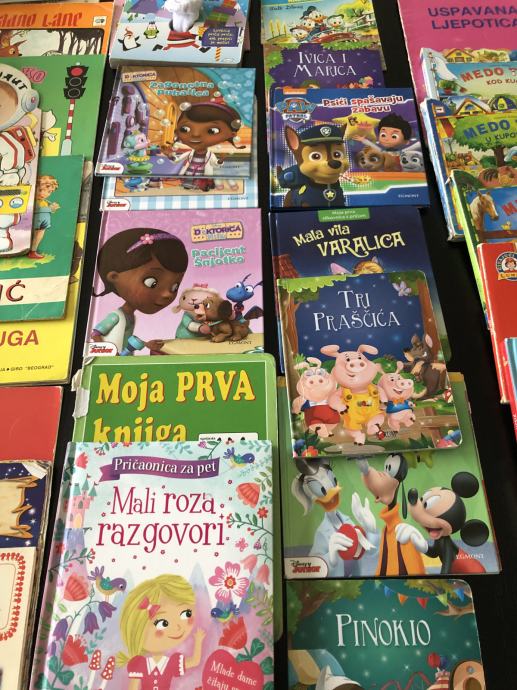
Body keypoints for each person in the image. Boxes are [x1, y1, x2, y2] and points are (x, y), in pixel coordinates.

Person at [91, 227, 188, 354]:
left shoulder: (129, 316)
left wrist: (147, 344)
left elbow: (129, 340)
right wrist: (109, 353)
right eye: (151, 282)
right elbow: (95, 334)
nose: (167, 294)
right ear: (114, 277)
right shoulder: (116, 316)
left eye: (175, 287)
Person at [117, 574, 206, 690]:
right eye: (163, 623)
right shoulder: (139, 665)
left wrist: (198, 641)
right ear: (138, 632)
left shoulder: (172, 663)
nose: (178, 627)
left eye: (186, 614)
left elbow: (194, 661)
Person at [170, 100, 244, 177]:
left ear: (231, 135)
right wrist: (170, 156)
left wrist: (220, 161)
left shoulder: (210, 155)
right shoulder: (189, 153)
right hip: (188, 174)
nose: (195, 135)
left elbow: (214, 164)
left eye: (212, 131)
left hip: (202, 176)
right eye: (185, 129)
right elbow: (177, 160)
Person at [28, 175, 59, 259]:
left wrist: (53, 209)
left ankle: (33, 251)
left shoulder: (44, 201)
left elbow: (47, 210)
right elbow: (35, 210)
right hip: (36, 223)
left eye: (49, 192)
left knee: (39, 236)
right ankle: (30, 251)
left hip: (43, 224)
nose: (44, 194)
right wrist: (49, 209)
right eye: (40, 190)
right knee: (34, 236)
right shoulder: (32, 201)